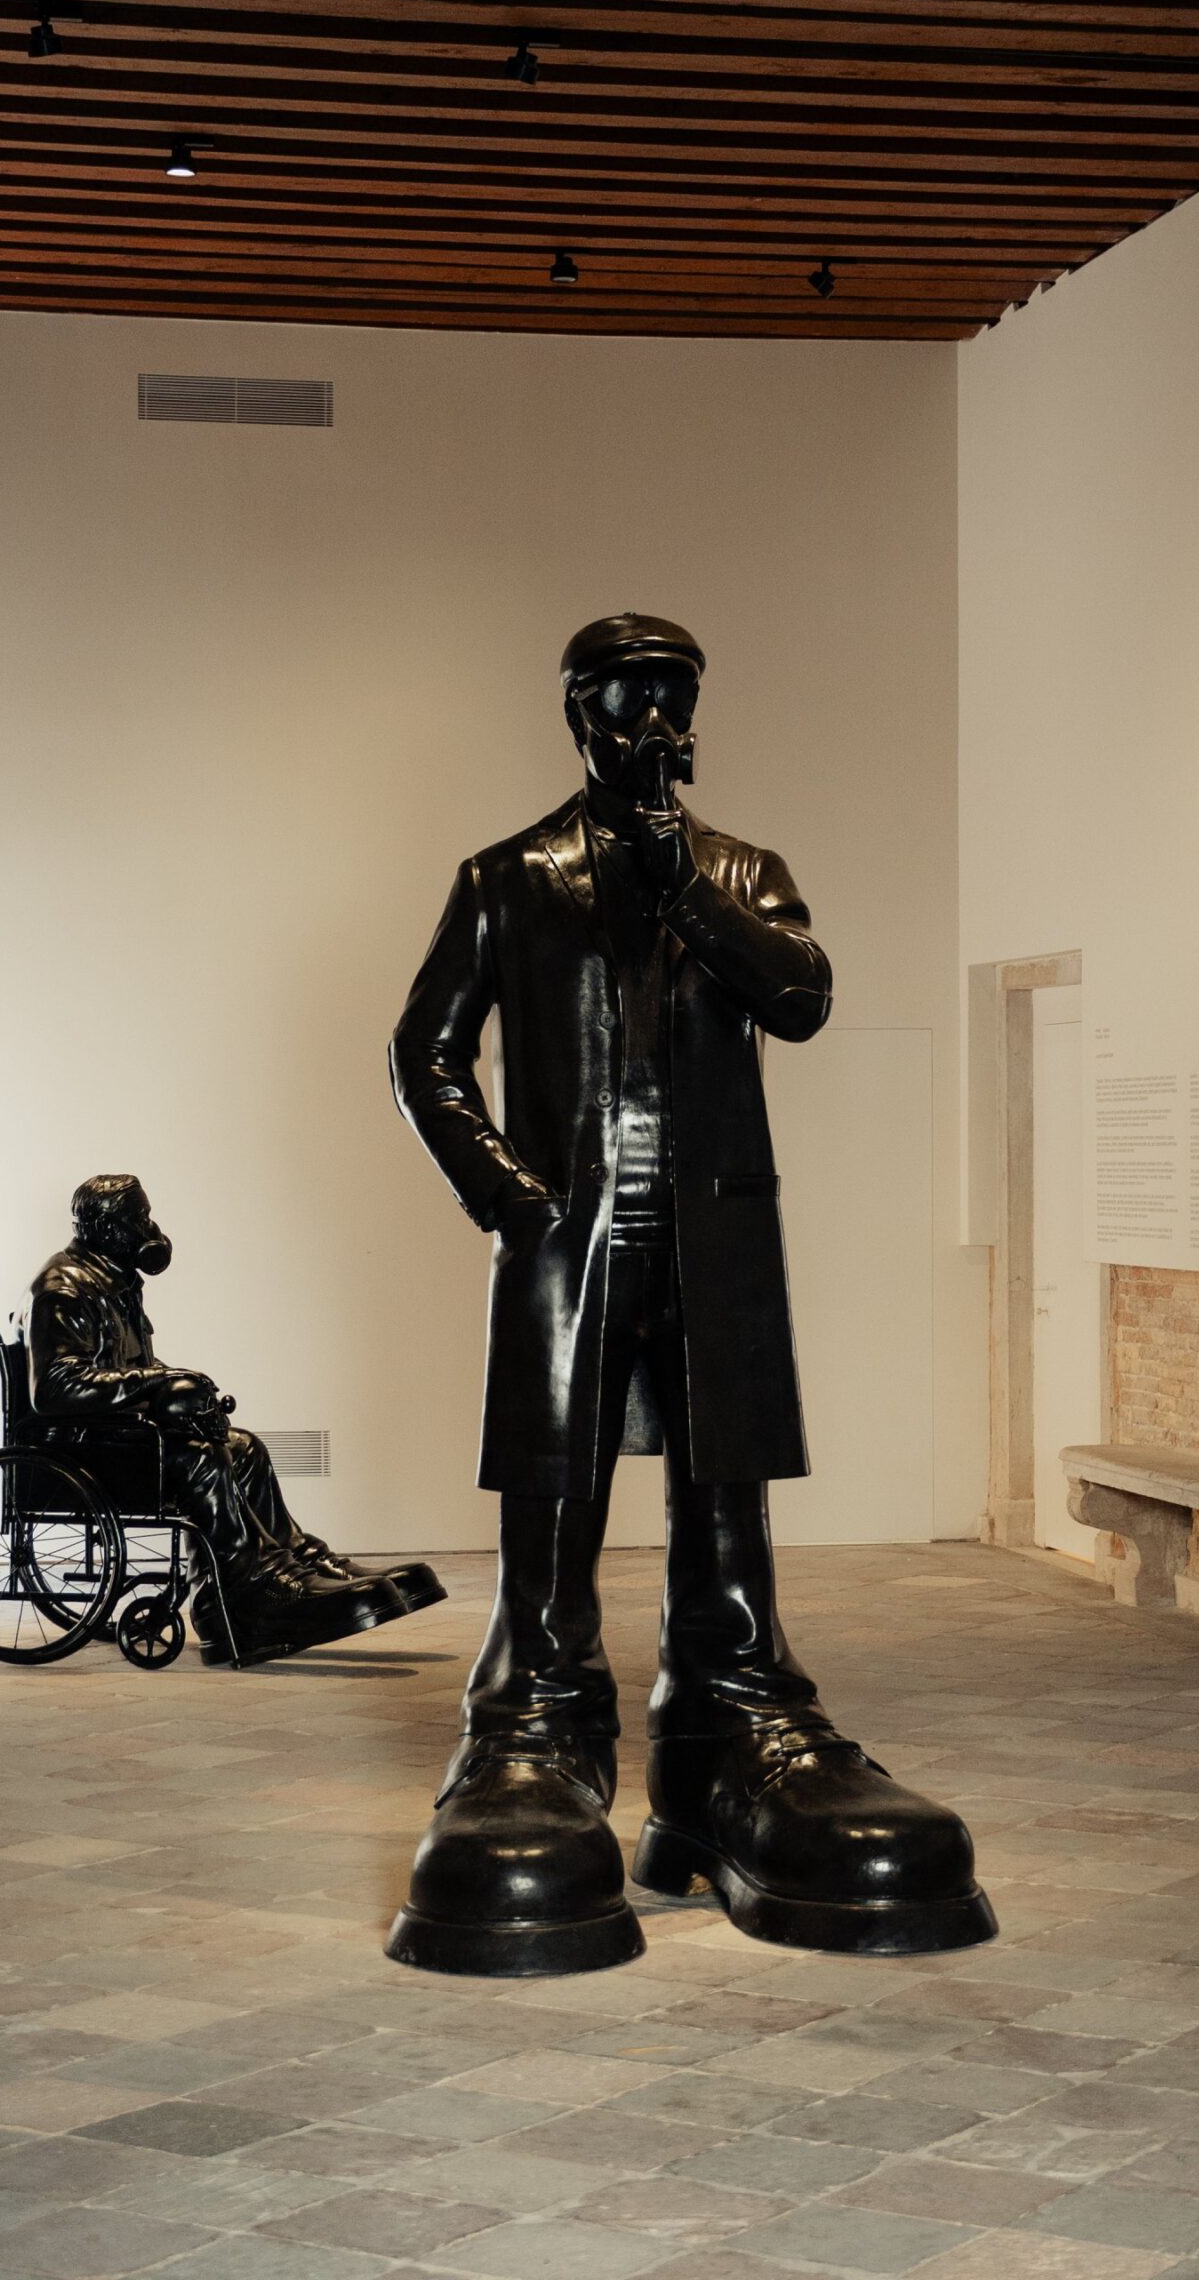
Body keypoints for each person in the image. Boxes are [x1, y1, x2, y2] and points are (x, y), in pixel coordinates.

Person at [385, 611, 994, 1973]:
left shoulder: (741, 872)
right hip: (568, 1232)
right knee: (555, 1476)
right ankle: (534, 1713)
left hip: (713, 1231)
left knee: (726, 1474)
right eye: (627, 698)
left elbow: (800, 998)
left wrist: (686, 888)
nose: (655, 722)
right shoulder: (506, 876)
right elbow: (425, 1051)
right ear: (577, 714)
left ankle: (729, 1713)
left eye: (674, 695)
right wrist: (511, 1195)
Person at [23, 1174, 442, 1666]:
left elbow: (124, 1366)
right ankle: (251, 1593)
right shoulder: (62, 1288)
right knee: (202, 1459)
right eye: (139, 1218)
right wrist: (158, 1382)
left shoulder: (114, 1280)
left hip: (118, 1436)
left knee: (242, 1446)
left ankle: (289, 1560)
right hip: (87, 1448)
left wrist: (175, 1384)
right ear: (105, 1229)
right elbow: (55, 1388)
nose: (149, 1229)